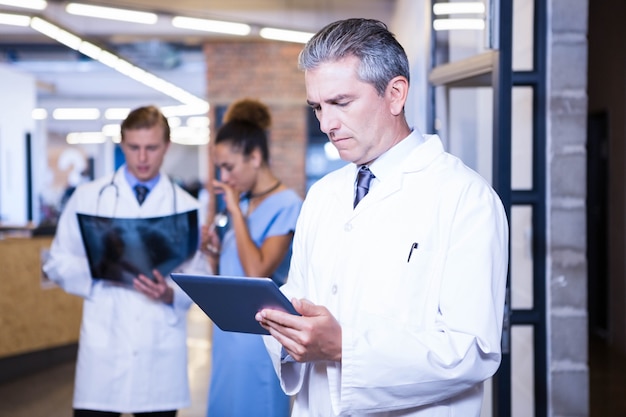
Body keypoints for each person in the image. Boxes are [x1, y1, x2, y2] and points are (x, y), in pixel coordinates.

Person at [255, 18, 509, 417]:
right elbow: (303, 293)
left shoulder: (466, 198)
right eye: (318, 107)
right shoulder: (323, 196)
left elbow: (472, 351)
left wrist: (344, 346)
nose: (326, 124)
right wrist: (286, 324)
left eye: (341, 103)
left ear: (395, 94)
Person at [43, 105, 212, 417]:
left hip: (158, 348)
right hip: (104, 349)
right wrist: (100, 270)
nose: (142, 157)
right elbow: (57, 262)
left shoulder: (187, 207)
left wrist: (170, 294)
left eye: (152, 148)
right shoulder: (89, 197)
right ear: (122, 145)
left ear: (167, 147)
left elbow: (199, 274)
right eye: (134, 148)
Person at [201, 98, 303, 416]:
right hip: (227, 335)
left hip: (260, 338)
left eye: (229, 167)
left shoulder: (287, 204)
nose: (224, 176)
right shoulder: (242, 202)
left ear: (255, 157)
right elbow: (228, 273)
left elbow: (256, 269)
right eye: (220, 167)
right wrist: (214, 253)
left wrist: (233, 210)